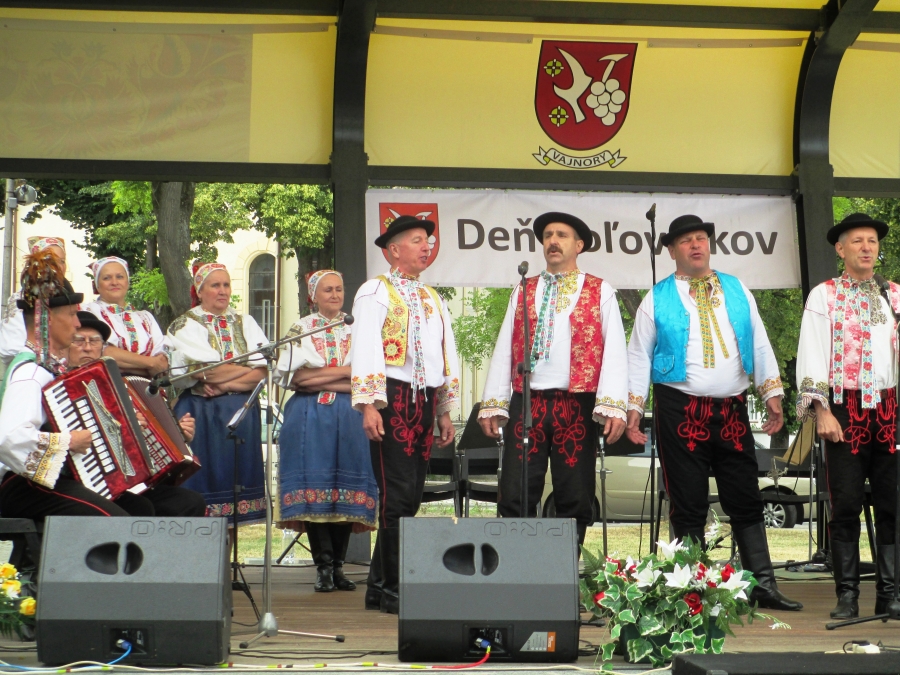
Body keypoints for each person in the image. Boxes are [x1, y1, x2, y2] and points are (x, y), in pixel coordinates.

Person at [625, 214, 802, 612]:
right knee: (687, 500)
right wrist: (634, 407)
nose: (696, 245)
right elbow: (638, 355)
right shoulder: (657, 297)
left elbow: (759, 341)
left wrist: (771, 393)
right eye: (686, 240)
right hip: (679, 407)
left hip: (732, 407)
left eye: (701, 238)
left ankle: (762, 585)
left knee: (745, 494)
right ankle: (690, 590)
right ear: (672, 250)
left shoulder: (736, 289)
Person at [478, 212, 628, 545]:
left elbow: (615, 349)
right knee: (516, 490)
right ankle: (517, 565)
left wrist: (613, 404)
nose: (553, 241)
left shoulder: (599, 289)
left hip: (576, 402)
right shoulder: (524, 288)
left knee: (574, 493)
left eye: (561, 235)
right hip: (528, 402)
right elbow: (505, 345)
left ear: (579, 245)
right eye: (548, 235)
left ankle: (565, 567)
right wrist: (495, 402)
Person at [350, 215, 461, 614]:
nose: (426, 246)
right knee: (395, 494)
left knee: (411, 493)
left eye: (427, 240)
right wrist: (369, 404)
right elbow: (365, 346)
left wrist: (444, 409)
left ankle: (379, 585)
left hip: (423, 401)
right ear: (394, 249)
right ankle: (394, 587)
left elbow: (445, 354)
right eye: (417, 240)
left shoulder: (432, 297)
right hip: (392, 398)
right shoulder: (375, 291)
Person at [796, 212, 900, 619]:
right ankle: (848, 596)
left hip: (889, 408)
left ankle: (890, 594)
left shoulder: (894, 296)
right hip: (844, 408)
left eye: (871, 241)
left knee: (892, 502)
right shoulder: (824, 296)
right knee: (846, 503)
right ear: (841, 250)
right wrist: (821, 411)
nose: (866, 247)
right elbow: (812, 353)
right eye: (857, 241)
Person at [0, 247, 149, 518]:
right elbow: (9, 438)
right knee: (116, 521)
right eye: (71, 314)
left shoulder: (52, 368)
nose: (77, 322)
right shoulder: (30, 373)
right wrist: (68, 442)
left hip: (49, 478)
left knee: (139, 508)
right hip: (23, 484)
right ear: (46, 318)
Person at [275, 270, 377, 593]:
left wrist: (320, 375)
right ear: (313, 296)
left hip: (351, 415)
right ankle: (323, 567)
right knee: (314, 486)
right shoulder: (301, 328)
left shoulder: (357, 327)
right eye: (328, 290)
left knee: (346, 488)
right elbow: (294, 379)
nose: (335, 295)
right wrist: (345, 374)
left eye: (339, 289)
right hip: (309, 416)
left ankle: (338, 567)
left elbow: (366, 377)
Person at [68, 311, 205, 518]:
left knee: (189, 502)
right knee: (140, 508)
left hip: (126, 480)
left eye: (94, 341)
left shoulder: (121, 386)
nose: (87, 347)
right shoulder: (59, 383)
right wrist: (125, 429)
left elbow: (147, 439)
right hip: (84, 477)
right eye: (79, 340)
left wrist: (179, 435)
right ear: (67, 345)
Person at [166, 263, 268, 523]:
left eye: (226, 285)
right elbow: (206, 372)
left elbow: (262, 372)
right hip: (200, 413)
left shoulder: (245, 322)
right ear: (199, 291)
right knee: (203, 485)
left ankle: (228, 549)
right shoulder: (185, 324)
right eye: (215, 285)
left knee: (236, 486)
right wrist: (242, 369)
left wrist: (224, 385)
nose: (223, 291)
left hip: (241, 414)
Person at [82, 257, 168, 377]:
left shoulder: (145, 317)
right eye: (106, 278)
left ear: (127, 282)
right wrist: (151, 363)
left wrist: (126, 365)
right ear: (97, 285)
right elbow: (102, 353)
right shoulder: (89, 311)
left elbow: (162, 363)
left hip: (147, 386)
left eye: (120, 277)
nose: (114, 282)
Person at [0, 237, 67, 364]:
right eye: (51, 261)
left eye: (62, 261)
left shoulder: (68, 297)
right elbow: (9, 348)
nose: (59, 266)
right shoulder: (22, 299)